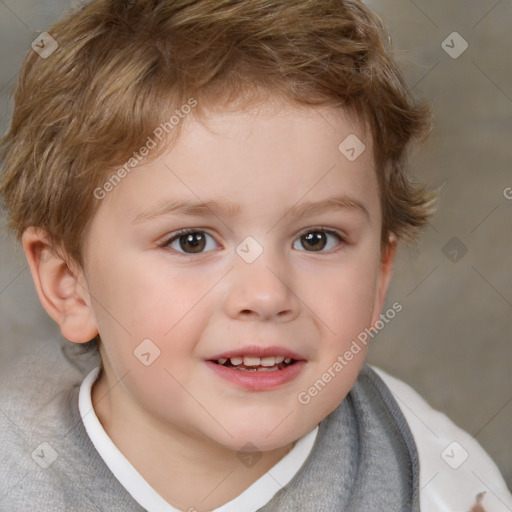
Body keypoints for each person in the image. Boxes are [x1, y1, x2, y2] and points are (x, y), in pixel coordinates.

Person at [0, 1, 510, 510]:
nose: (266, 295)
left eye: (317, 239)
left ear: (379, 276)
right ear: (69, 283)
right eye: (192, 241)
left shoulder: (435, 478)